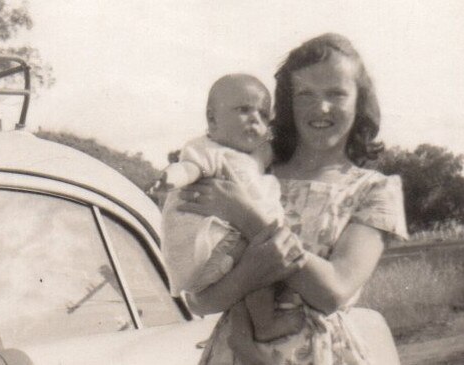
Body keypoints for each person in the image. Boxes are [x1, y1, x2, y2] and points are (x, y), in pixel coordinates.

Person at [179, 33, 408, 365]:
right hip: (235, 352)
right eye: (305, 95)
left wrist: (249, 218)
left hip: (320, 354)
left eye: (336, 93)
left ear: (360, 101)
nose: (321, 107)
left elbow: (333, 292)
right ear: (286, 103)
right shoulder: (250, 172)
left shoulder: (374, 191)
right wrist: (250, 274)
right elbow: (198, 299)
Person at [154, 74, 305, 342]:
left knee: (257, 268)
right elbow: (189, 168)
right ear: (212, 119)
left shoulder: (250, 159)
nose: (255, 120)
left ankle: (248, 332)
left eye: (262, 114)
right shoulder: (209, 149)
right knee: (263, 259)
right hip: (209, 246)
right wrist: (170, 178)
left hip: (221, 249)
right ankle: (265, 323)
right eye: (243, 110)